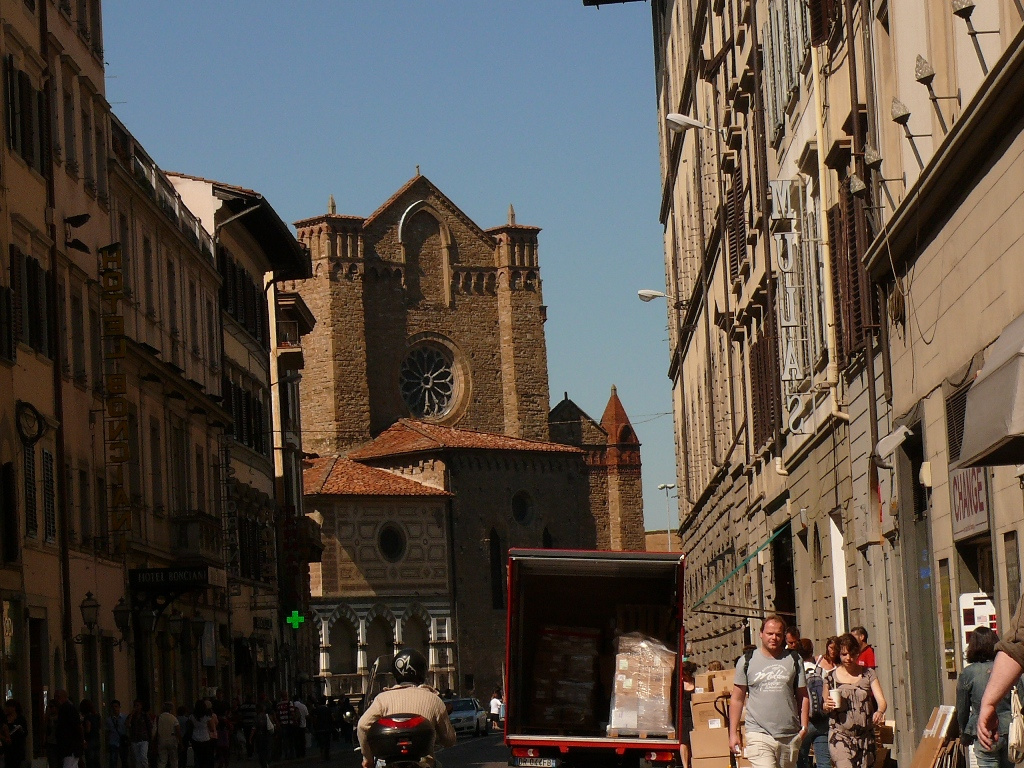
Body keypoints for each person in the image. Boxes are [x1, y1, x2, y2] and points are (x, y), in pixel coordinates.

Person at [728, 615, 809, 768]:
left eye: (778, 634)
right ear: (761, 634)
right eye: (770, 633)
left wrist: (804, 727)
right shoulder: (747, 661)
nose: (774, 638)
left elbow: (803, 695)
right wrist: (733, 733)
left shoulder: (794, 659)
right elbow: (737, 699)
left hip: (789, 735)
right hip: (759, 733)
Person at [357, 648, 456, 768]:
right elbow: (449, 740)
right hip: (423, 763)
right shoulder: (434, 699)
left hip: (387, 764)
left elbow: (362, 726)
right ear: (422, 671)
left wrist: (368, 759)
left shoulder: (382, 699)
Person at [958, 627, 1021, 768]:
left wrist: (963, 732)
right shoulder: (1007, 669)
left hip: (982, 730)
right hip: (1008, 730)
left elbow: (962, 707)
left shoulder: (969, 673)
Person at [822, 633, 887, 768]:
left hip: (865, 737)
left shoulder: (868, 674)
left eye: (852, 654)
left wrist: (879, 711)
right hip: (840, 735)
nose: (848, 658)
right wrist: (827, 705)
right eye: (844, 654)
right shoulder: (830, 678)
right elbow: (825, 705)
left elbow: (882, 701)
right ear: (839, 654)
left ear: (857, 653)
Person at [797, 640, 829, 768]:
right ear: (812, 651)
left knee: (801, 762)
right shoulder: (822, 671)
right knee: (824, 763)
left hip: (803, 722)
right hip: (822, 721)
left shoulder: (797, 673)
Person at [54, 690, 85, 768]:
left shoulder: (66, 709)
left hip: (69, 746)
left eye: (58, 697)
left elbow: (77, 726)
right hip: (70, 746)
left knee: (69, 765)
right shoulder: (68, 708)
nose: (56, 699)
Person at [0, 699, 28, 768]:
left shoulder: (20, 718)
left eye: (8, 707)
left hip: (17, 746)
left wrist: (20, 730)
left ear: (14, 708)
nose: (6, 708)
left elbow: (25, 732)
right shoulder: (4, 719)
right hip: (7, 747)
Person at [680, 661, 697, 768]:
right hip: (683, 715)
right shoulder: (680, 684)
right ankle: (685, 765)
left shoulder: (696, 682)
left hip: (694, 715)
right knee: (684, 741)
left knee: (693, 740)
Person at [125, 700, 152, 768]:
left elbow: (149, 726)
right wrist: (131, 714)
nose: (136, 707)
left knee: (143, 757)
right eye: (135, 705)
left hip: (144, 739)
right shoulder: (131, 716)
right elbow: (127, 725)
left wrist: (150, 738)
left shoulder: (145, 715)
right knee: (137, 759)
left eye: (138, 705)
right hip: (134, 739)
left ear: (141, 706)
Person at [189, 700, 215, 768]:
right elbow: (212, 728)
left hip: (195, 738)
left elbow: (190, 726)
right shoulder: (207, 716)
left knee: (197, 757)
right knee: (206, 758)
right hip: (205, 738)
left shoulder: (192, 716)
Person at [155, 702, 180, 768]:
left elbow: (154, 731)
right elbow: (178, 730)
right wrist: (180, 741)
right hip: (172, 739)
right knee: (174, 760)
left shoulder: (158, 718)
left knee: (162, 760)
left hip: (161, 739)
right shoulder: (173, 718)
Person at [104, 700, 127, 768]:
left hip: (122, 742)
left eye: (116, 707)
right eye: (113, 707)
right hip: (113, 742)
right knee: (113, 761)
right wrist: (106, 743)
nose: (115, 708)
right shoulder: (109, 720)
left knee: (124, 761)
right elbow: (107, 732)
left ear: (119, 707)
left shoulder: (124, 718)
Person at [250, 702, 273, 768]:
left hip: (260, 735)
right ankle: (267, 762)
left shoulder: (257, 717)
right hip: (268, 734)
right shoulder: (267, 716)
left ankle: (264, 763)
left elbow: (254, 728)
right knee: (267, 749)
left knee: (260, 751)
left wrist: (250, 737)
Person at [80, 700, 101, 768]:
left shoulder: (87, 717)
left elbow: (88, 730)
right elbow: (100, 726)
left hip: (89, 740)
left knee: (90, 761)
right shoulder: (97, 715)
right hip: (97, 738)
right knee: (96, 760)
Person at [275, 692, 294, 760]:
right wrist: (295, 720)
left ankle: (286, 753)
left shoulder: (278, 704)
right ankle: (290, 754)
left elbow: (277, 715)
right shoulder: (290, 703)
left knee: (284, 740)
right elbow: (292, 713)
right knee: (290, 740)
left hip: (282, 724)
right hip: (289, 723)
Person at [291, 694, 308, 759]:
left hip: (295, 725)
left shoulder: (292, 705)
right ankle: (303, 753)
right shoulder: (303, 706)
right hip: (303, 725)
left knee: (296, 740)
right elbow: (307, 715)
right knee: (302, 740)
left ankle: (297, 753)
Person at [44, 701, 60, 768]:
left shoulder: (60, 717)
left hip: (59, 742)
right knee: (52, 763)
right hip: (50, 743)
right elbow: (46, 729)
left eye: (51, 707)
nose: (50, 709)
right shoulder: (48, 718)